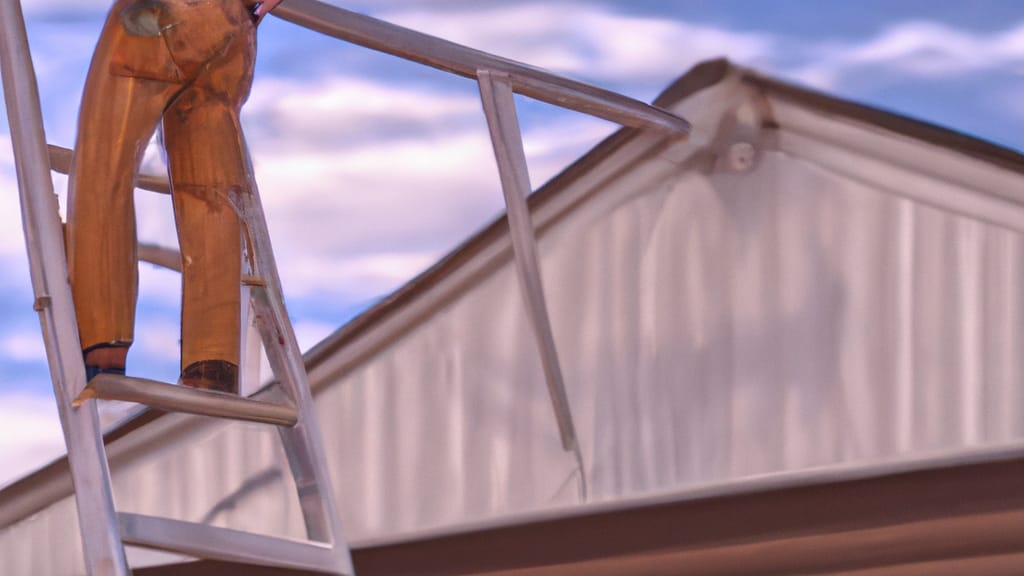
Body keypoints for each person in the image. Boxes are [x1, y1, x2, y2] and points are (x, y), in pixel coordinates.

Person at [66, 0, 283, 394]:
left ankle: (102, 344)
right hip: (234, 28)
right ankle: (214, 362)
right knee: (211, 193)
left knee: (105, 166)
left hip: (156, 18)